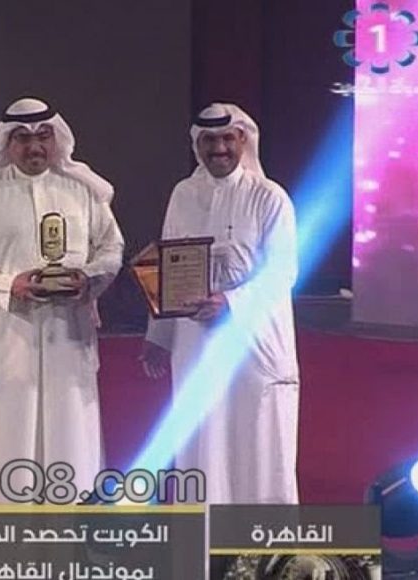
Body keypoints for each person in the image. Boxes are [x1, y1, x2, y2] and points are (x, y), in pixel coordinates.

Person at [0, 97, 124, 501]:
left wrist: (88, 279)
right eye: (22, 138)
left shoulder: (82, 188)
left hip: (70, 335)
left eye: (43, 136)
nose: (34, 146)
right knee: (12, 444)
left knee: (73, 441)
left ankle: (72, 536)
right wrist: (6, 285)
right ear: (6, 143)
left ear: (57, 139)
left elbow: (111, 247)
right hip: (10, 335)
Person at [140, 103, 300, 504]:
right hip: (195, 341)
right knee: (201, 438)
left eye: (228, 138)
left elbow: (283, 272)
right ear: (197, 144)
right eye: (209, 140)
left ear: (243, 139)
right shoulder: (183, 194)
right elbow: (169, 262)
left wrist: (230, 302)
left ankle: (260, 540)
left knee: (258, 443)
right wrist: (159, 334)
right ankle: (203, 536)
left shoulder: (269, 197)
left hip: (253, 343)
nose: (219, 149)